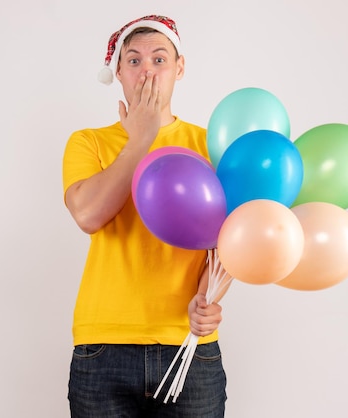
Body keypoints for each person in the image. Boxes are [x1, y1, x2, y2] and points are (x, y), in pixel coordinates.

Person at [62, 15, 228, 417]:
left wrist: (210, 296)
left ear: (180, 68)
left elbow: (227, 240)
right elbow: (88, 215)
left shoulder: (210, 144)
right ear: (118, 72)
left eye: (159, 59)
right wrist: (141, 139)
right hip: (102, 347)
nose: (147, 71)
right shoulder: (88, 142)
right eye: (133, 61)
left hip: (190, 346)